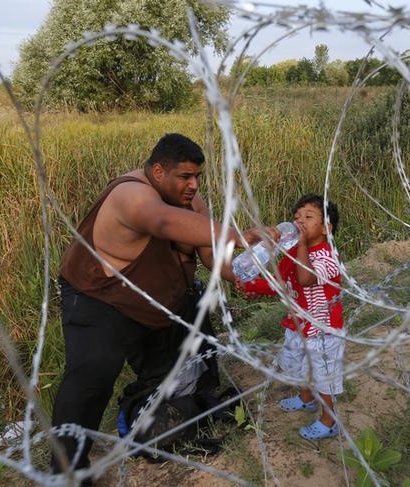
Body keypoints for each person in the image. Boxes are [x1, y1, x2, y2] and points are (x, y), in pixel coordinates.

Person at [51, 133, 276, 476]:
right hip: (101, 299)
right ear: (158, 171)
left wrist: (261, 270)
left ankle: (152, 417)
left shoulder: (193, 205)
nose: (193, 185)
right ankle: (67, 470)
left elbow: (217, 261)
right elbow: (163, 222)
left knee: (179, 378)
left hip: (160, 305)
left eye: (197, 177)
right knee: (92, 378)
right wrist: (236, 234)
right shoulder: (131, 194)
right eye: (184, 176)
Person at [236, 194, 344, 440]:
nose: (300, 222)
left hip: (323, 330)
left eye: (308, 217)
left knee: (323, 375)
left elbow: (305, 278)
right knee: (302, 366)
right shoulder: (295, 251)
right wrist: (253, 286)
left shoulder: (328, 256)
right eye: (297, 217)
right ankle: (307, 399)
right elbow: (281, 282)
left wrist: (302, 245)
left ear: (326, 228)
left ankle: (329, 421)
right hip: (298, 324)